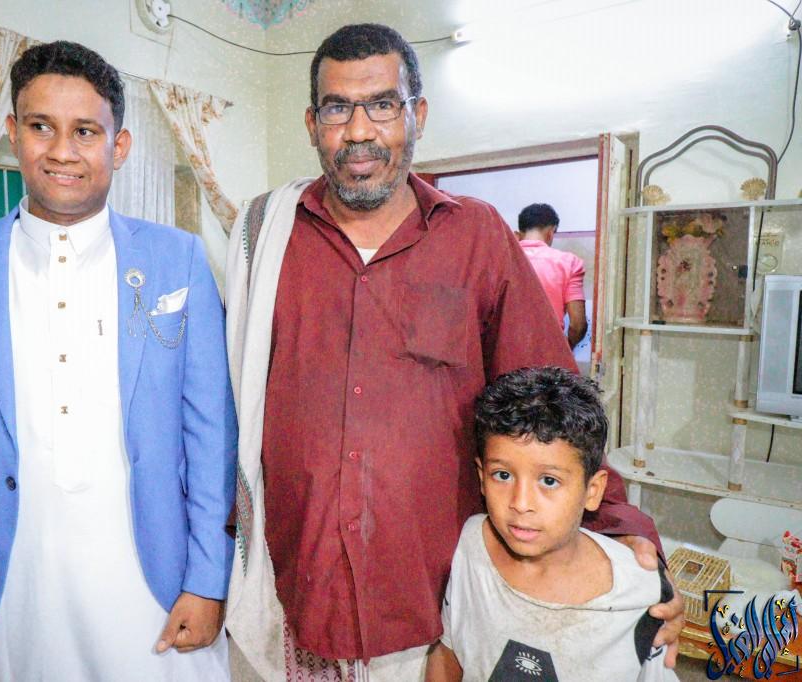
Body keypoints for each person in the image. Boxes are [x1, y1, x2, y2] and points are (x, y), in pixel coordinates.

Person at [223, 23, 684, 681]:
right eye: (337, 108)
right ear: (311, 123)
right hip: (296, 588)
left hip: (437, 606)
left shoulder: (475, 236)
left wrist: (620, 527)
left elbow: (551, 399)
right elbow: (229, 404)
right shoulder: (268, 235)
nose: (359, 130)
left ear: (418, 115)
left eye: (383, 105)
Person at [0, 41, 236, 681]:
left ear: (119, 146)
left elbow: (212, 435)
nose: (62, 151)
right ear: (13, 132)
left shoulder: (177, 259)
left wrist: (208, 580)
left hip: (153, 585)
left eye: (85, 131)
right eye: (41, 126)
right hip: (10, 589)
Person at [427, 367, 678, 682]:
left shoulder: (638, 590)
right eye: (502, 475)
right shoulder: (470, 545)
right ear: (481, 477)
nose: (520, 503)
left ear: (593, 491)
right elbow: (448, 653)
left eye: (548, 481)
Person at [517, 203, 588, 349]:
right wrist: (565, 348)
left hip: (505, 354)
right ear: (551, 232)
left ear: (518, 234)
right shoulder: (569, 263)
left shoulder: (499, 261)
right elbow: (578, 325)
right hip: (550, 352)